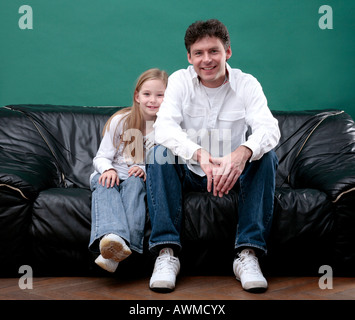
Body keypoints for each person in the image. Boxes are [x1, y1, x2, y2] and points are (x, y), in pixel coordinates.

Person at [146, 19, 280, 293]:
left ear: (227, 52)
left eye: (214, 51)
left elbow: (269, 128)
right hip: (192, 172)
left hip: (234, 174)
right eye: (199, 53)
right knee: (158, 153)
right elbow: (164, 127)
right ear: (189, 57)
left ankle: (248, 254)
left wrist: (242, 153)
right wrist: (198, 153)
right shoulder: (179, 81)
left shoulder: (247, 83)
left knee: (266, 155)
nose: (206, 60)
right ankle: (166, 253)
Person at [89, 68, 168, 273]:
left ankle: (114, 253)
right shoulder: (121, 121)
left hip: (135, 178)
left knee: (134, 184)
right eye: (147, 94)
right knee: (104, 183)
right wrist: (108, 170)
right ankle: (114, 239)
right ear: (137, 96)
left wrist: (143, 170)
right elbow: (101, 157)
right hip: (111, 175)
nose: (153, 100)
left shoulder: (167, 128)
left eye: (160, 95)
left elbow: (163, 165)